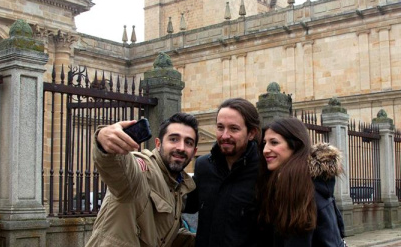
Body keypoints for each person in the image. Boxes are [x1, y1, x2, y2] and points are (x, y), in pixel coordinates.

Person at [86, 112, 199, 247]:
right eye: (173, 139)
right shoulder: (144, 168)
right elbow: (123, 168)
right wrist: (104, 141)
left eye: (188, 142)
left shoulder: (178, 187)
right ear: (158, 144)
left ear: (194, 152)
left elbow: (162, 234)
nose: (181, 147)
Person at [184, 98, 263, 247]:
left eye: (234, 129)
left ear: (251, 133)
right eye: (220, 127)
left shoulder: (264, 171)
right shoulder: (203, 166)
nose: (225, 135)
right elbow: (182, 204)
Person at [257, 117, 346, 247]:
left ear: (295, 145)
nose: (265, 150)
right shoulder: (283, 183)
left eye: (274, 142)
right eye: (265, 143)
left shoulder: (302, 189)